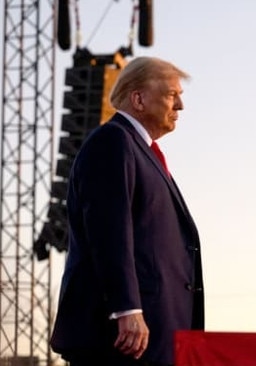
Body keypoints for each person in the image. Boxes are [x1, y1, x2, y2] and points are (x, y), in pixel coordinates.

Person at [50, 56, 204, 366]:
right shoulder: (114, 142)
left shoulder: (141, 151)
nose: (180, 107)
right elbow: (109, 232)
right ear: (138, 99)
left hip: (156, 336)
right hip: (125, 339)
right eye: (173, 95)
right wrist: (126, 308)